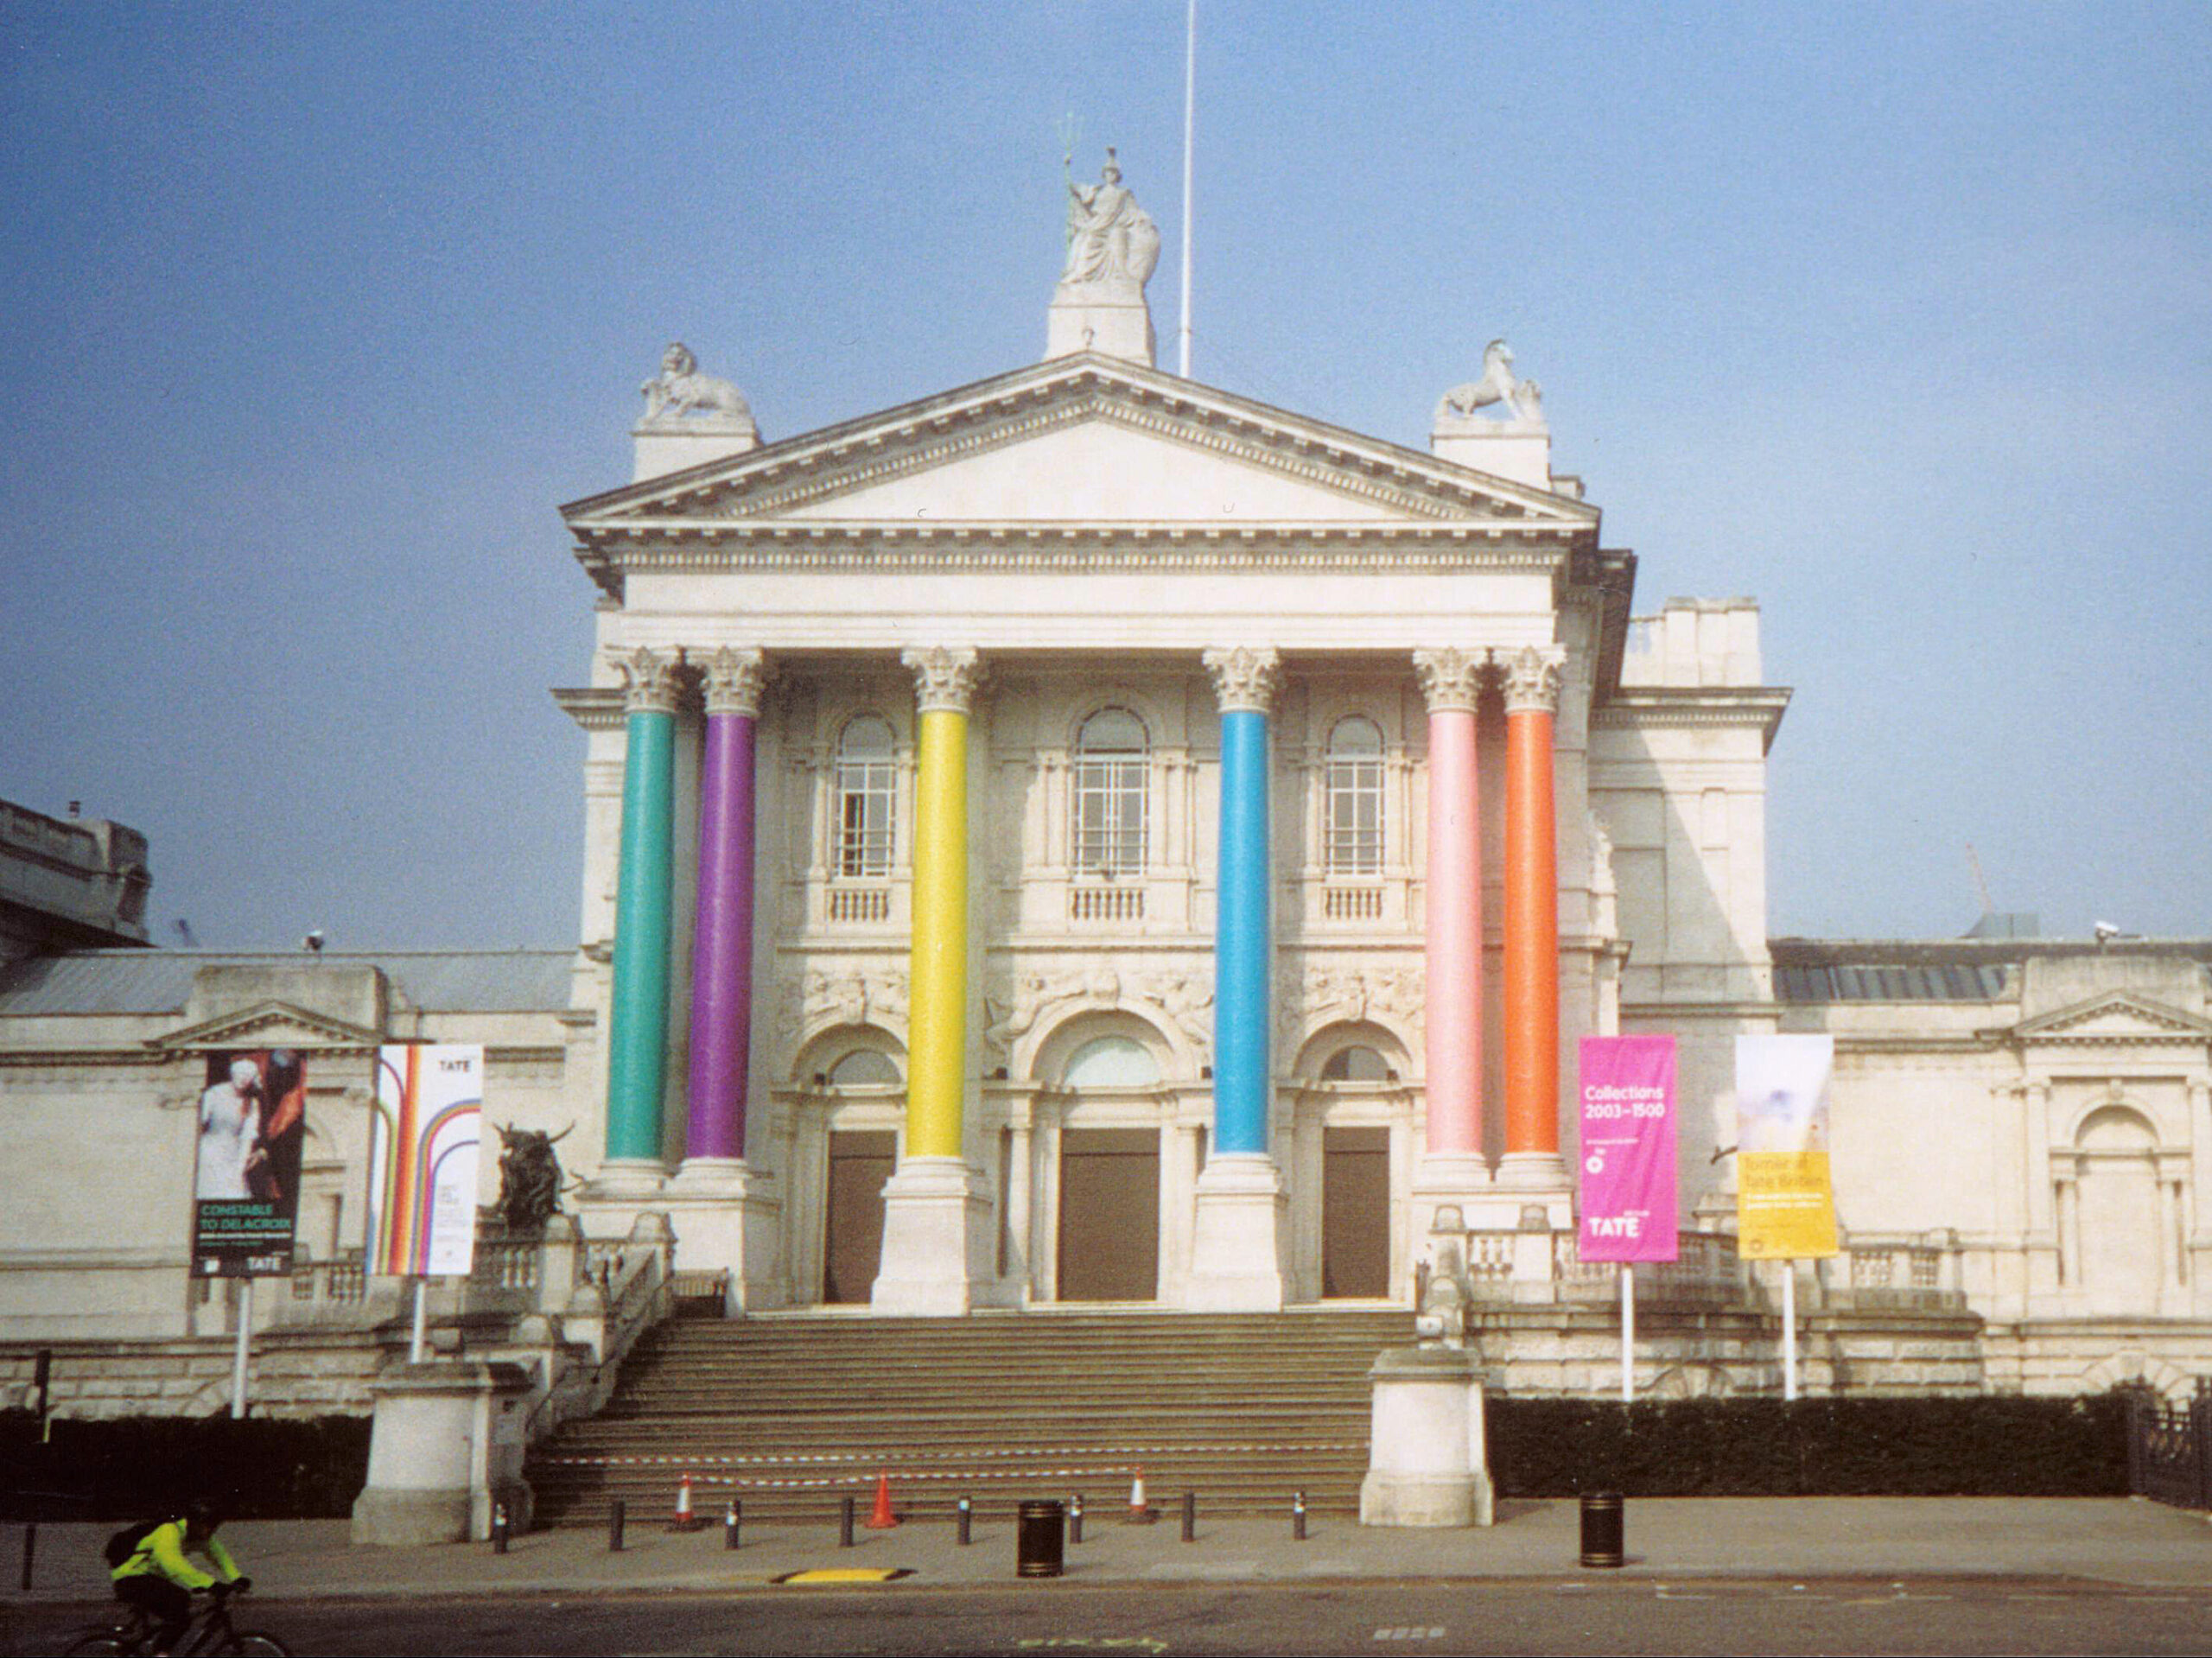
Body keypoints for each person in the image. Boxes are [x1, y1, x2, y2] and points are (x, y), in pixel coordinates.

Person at [110, 1500, 251, 1655]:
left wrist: (237, 1578)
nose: (210, 1531)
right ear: (193, 1522)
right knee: (180, 1602)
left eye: (214, 1527)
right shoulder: (169, 1531)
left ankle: (156, 1650)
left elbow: (220, 1556)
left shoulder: (200, 1536)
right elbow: (174, 1565)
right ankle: (161, 1653)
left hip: (150, 1579)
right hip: (130, 1578)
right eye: (207, 1525)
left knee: (180, 1615)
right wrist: (211, 1584)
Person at [195, 1058, 264, 1201]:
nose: (244, 1078)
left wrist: (240, 1168)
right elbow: (197, 1125)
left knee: (235, 1192)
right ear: (233, 1073)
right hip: (208, 1152)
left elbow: (247, 1138)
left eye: (248, 1075)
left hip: (233, 1154)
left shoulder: (251, 1103)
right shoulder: (213, 1094)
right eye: (241, 1073)